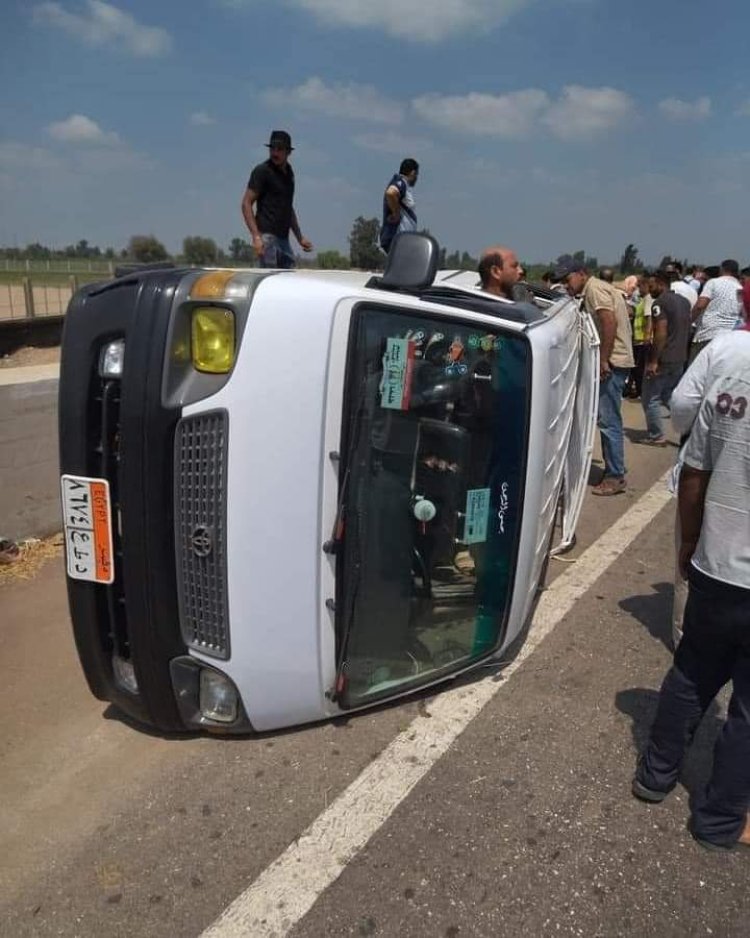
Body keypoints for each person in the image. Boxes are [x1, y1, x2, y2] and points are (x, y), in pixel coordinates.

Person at [632, 341, 750, 852]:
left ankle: (655, 776)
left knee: (692, 672)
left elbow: (694, 473)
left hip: (718, 562)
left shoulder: (730, 377)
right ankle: (720, 819)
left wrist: (688, 541)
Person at [555, 261, 634, 495]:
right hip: (615, 359)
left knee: (608, 419)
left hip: (614, 361)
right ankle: (614, 470)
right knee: (606, 418)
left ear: (581, 274)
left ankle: (615, 476)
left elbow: (609, 321)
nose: (566, 286)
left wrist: (603, 359)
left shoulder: (594, 289)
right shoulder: (593, 288)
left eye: (567, 280)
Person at [241, 130, 313, 269]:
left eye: (279, 149)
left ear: (288, 152)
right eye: (272, 148)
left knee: (289, 281)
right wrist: (256, 236)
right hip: (267, 238)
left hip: (284, 240)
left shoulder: (289, 174)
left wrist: (300, 237)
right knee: (270, 282)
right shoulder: (262, 171)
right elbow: (246, 203)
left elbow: (288, 208)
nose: (275, 153)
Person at [639, 270, 691, 444]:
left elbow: (660, 332)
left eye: (652, 286)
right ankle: (689, 426)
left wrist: (653, 360)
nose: (649, 290)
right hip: (680, 356)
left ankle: (656, 435)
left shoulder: (659, 303)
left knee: (650, 398)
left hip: (664, 357)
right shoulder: (684, 302)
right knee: (668, 395)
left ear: (661, 284)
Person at [690, 259, 743, 359]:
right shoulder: (740, 288)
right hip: (729, 337)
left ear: (721, 269)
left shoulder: (713, 283)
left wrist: (689, 321)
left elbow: (700, 305)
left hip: (708, 334)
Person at [379, 158, 419, 254]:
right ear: (412, 173)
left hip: (401, 242)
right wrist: (396, 214)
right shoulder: (401, 182)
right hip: (398, 240)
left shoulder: (403, 184)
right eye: (417, 174)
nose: (417, 178)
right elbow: (391, 193)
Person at [625, 272, 653, 400]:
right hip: (638, 338)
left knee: (640, 368)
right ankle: (638, 390)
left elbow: (649, 319)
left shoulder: (648, 299)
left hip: (643, 340)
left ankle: (641, 392)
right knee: (637, 368)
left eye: (640, 286)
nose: (638, 289)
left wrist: (647, 337)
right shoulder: (642, 300)